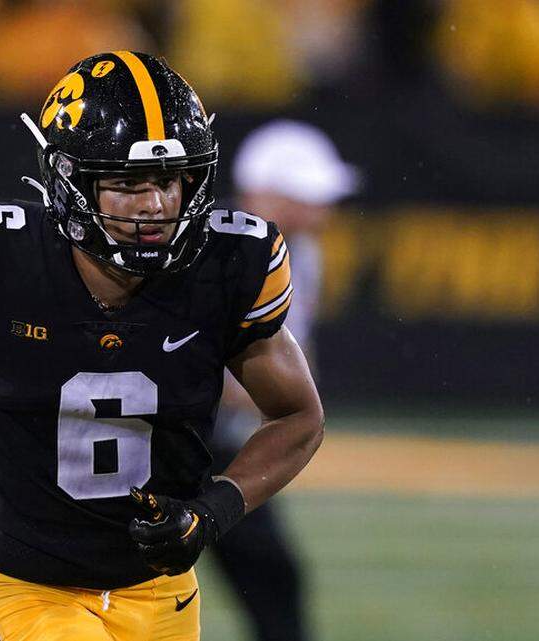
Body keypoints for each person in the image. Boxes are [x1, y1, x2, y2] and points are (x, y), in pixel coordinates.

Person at [0, 51, 324, 641]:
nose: (155, 205)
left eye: (168, 179)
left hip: (161, 597)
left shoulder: (229, 265)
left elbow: (297, 417)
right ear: (71, 182)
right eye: (128, 183)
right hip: (30, 591)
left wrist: (214, 512)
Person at [209, 120, 359, 641]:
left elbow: (293, 360)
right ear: (263, 191)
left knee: (272, 580)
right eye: (306, 194)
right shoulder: (216, 249)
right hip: (177, 434)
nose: (322, 208)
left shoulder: (301, 251)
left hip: (226, 438)